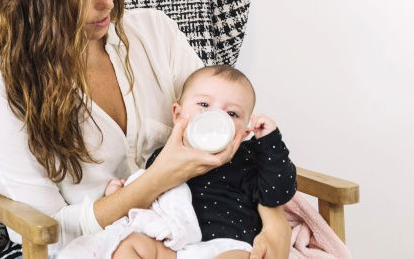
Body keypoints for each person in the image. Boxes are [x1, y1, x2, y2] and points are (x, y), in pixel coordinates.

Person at [0, 0, 292, 259]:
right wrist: (159, 178)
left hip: (199, 237)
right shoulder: (4, 88)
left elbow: (232, 134)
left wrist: (274, 218)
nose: (106, 0)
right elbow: (47, 232)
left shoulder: (154, 33)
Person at [99, 65, 297, 259]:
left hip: (226, 246)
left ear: (244, 132)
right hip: (174, 245)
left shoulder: (248, 159)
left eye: (232, 114)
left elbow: (277, 193)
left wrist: (270, 142)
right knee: (129, 246)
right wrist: (121, 191)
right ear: (178, 115)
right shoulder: (166, 155)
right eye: (204, 105)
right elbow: (148, 196)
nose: (215, 116)